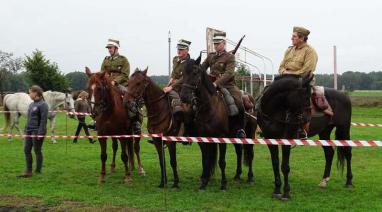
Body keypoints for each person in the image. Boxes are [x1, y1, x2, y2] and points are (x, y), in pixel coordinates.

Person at [201, 31, 246, 138]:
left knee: (238, 102)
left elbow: (229, 73)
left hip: (228, 85)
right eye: (214, 43)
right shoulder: (210, 56)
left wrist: (216, 83)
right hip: (211, 85)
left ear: (224, 43)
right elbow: (202, 68)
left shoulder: (230, 57)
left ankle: (240, 128)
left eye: (218, 43)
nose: (216, 45)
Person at [19, 85, 48, 178]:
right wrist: (26, 129)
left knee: (37, 150)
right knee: (26, 150)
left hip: (37, 131)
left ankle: (38, 170)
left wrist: (40, 133)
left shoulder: (43, 104)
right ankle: (28, 170)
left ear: (35, 93)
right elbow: (29, 118)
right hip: (28, 130)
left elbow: (43, 120)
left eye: (30, 92)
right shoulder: (31, 104)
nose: (29, 94)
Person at [163, 39, 191, 117]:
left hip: (183, 88)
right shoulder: (175, 59)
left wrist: (171, 87)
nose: (179, 51)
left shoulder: (189, 63)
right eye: (178, 49)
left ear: (187, 50)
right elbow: (173, 74)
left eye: (181, 49)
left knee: (181, 109)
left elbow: (184, 78)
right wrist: (168, 85)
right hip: (173, 86)